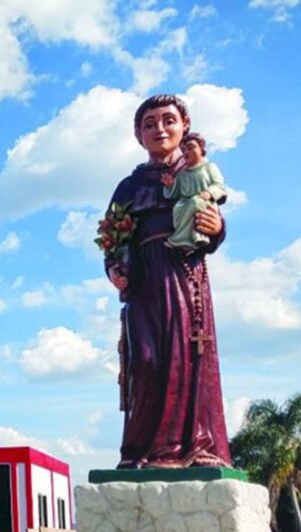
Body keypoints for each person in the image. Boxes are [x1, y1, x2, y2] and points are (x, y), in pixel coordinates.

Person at [100, 94, 232, 468]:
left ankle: (191, 448)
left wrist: (217, 228)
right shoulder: (129, 187)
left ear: (184, 125)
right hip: (143, 280)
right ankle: (140, 450)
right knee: (145, 360)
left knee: (186, 357)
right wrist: (114, 268)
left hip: (183, 273)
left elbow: (213, 222)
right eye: (149, 123)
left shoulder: (197, 172)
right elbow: (111, 237)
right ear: (138, 135)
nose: (160, 129)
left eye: (168, 120)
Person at [161, 133, 227, 251]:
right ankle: (187, 238)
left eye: (191, 148)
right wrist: (170, 186)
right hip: (185, 201)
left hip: (205, 201)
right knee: (178, 207)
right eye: (184, 150)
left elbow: (219, 185)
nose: (187, 152)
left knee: (195, 202)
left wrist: (210, 193)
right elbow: (176, 192)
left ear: (201, 149)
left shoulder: (209, 167)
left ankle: (190, 237)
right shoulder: (182, 174)